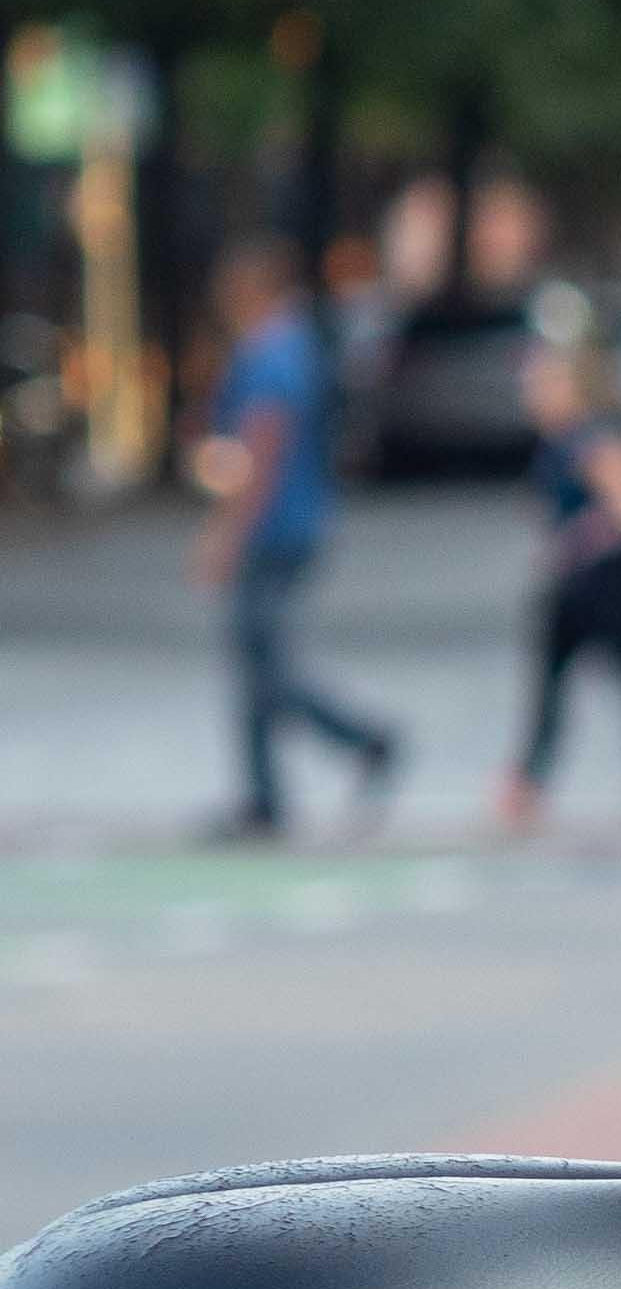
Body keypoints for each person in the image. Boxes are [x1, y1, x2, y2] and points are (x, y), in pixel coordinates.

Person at [190, 243, 401, 841]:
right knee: (256, 664)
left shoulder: (269, 353)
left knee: (264, 668)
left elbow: (261, 448)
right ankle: (264, 796)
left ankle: (363, 741)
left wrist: (226, 533)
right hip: (296, 522)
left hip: (273, 527)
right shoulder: (299, 347)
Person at [498, 315, 621, 831]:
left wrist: (606, 544)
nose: (535, 394)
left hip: (610, 584)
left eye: (547, 383)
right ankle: (529, 784)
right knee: (551, 687)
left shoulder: (592, 437)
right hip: (572, 588)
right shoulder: (557, 443)